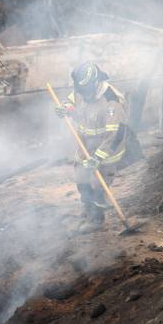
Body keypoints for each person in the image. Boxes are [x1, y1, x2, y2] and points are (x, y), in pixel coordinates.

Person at [55, 62, 129, 226]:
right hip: (84, 146)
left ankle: (96, 220)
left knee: (98, 188)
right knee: (82, 181)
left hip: (106, 151)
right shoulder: (82, 89)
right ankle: (88, 210)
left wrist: (97, 158)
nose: (84, 96)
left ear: (95, 83)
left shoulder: (112, 102)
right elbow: (72, 101)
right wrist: (64, 109)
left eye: (86, 92)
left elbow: (115, 135)